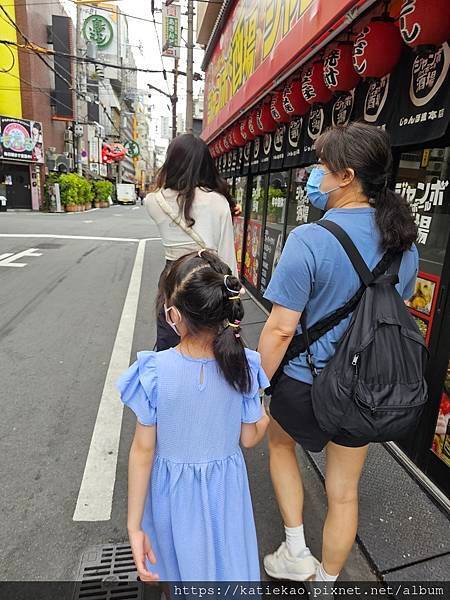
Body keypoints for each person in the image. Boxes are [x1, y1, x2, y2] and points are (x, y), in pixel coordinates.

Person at [258, 123, 419, 582]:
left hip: (305, 386)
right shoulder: (401, 243)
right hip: (363, 389)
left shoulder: (309, 239)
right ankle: (328, 585)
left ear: (345, 176)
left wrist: (256, 386)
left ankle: (294, 551)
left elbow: (280, 329)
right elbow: (392, 310)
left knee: (280, 443)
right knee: (344, 491)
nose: (314, 174)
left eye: (321, 166)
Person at [117, 250, 270, 581]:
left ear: (173, 313)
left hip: (169, 498)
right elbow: (249, 437)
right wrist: (266, 417)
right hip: (225, 496)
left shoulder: (153, 371)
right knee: (227, 572)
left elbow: (143, 452)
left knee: (179, 574)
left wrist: (134, 525)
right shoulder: (244, 365)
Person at [145, 134, 240, 351]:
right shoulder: (218, 201)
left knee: (169, 341)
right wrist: (232, 290)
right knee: (208, 345)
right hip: (208, 278)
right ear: (205, 164)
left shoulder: (153, 201)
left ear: (171, 161)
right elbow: (226, 252)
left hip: (173, 278)